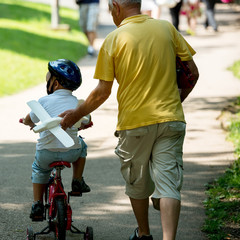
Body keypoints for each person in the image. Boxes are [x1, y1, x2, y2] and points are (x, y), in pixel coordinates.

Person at [59, 0, 199, 239]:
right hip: (171, 120)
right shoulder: (167, 28)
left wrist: (75, 115)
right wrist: (177, 101)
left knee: (137, 183)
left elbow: (102, 92)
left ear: (116, 6)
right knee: (169, 186)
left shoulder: (114, 39)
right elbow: (192, 73)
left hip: (135, 124)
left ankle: (144, 234)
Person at [20, 59, 91, 222]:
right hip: (70, 153)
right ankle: (77, 181)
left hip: (47, 153)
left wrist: (28, 122)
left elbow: (29, 118)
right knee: (82, 145)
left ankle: (37, 203)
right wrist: (85, 122)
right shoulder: (76, 103)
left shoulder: (43, 102)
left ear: (56, 83)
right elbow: (86, 119)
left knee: (39, 169)